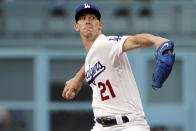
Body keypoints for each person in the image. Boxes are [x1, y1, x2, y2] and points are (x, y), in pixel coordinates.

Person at [62, 3, 172, 131]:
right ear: (77, 27)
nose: (87, 21)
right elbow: (93, 58)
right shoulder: (93, 55)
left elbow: (135, 40)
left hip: (129, 124)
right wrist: (78, 77)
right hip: (101, 126)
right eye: (83, 18)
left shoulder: (107, 44)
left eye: (92, 18)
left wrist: (156, 40)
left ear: (100, 25)